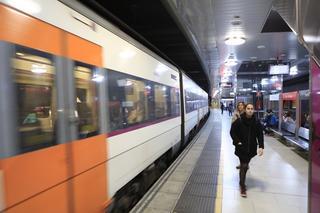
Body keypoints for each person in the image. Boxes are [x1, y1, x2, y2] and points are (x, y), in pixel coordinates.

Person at [230, 103, 264, 197]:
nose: (250, 110)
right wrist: (237, 142)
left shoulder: (256, 122)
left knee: (245, 164)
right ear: (245, 109)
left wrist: (261, 146)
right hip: (241, 148)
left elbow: (260, 135)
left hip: (251, 148)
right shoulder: (239, 121)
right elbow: (232, 132)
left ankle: (242, 179)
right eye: (248, 108)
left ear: (253, 110)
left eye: (251, 109)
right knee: (244, 165)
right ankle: (242, 186)